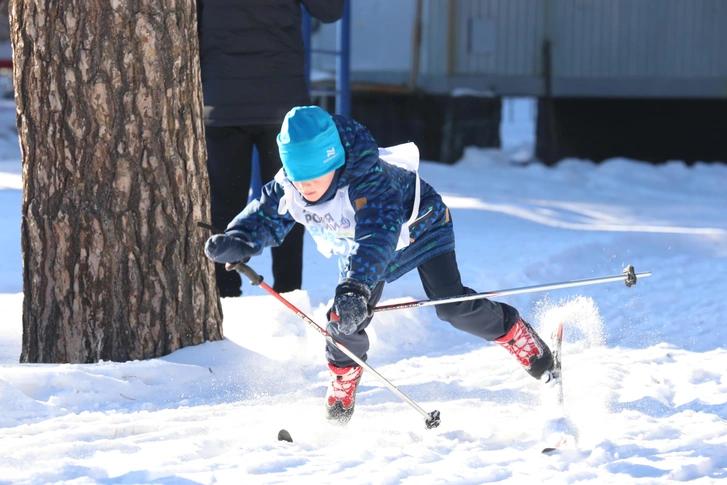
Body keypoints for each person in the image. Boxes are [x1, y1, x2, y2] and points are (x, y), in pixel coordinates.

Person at [204, 106, 555, 423]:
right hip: (360, 249)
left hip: (419, 230)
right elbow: (266, 214)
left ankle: (515, 334)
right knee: (344, 319)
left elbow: (377, 236)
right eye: (299, 178)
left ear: (335, 163)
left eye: (314, 177)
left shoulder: (370, 180)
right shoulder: (292, 185)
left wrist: (356, 287)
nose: (306, 187)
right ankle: (344, 377)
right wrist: (239, 240)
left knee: (450, 305)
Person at [198, 0, 344, 296]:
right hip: (282, 102)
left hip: (221, 98)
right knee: (290, 200)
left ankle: (224, 295)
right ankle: (289, 294)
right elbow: (330, 11)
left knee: (223, 204)